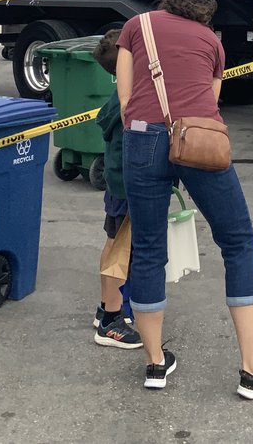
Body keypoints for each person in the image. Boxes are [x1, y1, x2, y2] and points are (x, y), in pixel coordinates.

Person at [116, 0, 253, 399]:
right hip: (198, 141)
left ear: (170, 2)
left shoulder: (136, 26)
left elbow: (125, 97)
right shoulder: (211, 43)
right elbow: (209, 105)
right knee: (237, 243)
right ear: (205, 13)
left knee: (146, 247)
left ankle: (155, 363)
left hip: (142, 139)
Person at [91, 29, 142, 350]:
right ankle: (112, 318)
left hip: (118, 186)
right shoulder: (131, 103)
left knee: (115, 245)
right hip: (128, 187)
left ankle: (107, 305)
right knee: (121, 250)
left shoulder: (118, 99)